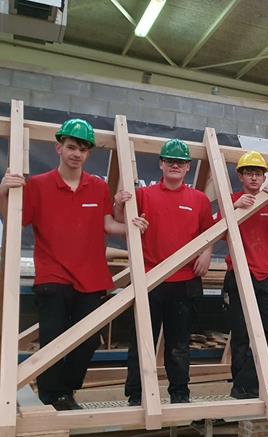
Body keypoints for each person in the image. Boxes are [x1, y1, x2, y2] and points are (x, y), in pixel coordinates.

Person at [0, 119, 136, 410]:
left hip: (92, 278)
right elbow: (15, 220)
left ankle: (66, 391)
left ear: (88, 154)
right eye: (72, 147)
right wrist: (3, 192)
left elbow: (108, 224)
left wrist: (130, 226)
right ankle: (52, 396)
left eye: (83, 149)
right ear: (58, 148)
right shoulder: (38, 185)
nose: (77, 153)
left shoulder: (98, 187)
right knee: (53, 340)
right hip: (53, 276)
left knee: (87, 341)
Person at [117, 139, 213, 406]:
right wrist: (119, 204)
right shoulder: (144, 196)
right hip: (149, 281)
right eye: (169, 160)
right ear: (160, 164)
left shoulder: (199, 200)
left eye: (180, 162)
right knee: (141, 344)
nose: (174, 165)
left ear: (187, 168)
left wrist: (206, 252)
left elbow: (209, 233)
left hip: (184, 283)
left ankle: (180, 395)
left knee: (179, 346)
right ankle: (136, 396)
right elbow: (119, 220)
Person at [220, 151, 268, 399]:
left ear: (264, 177)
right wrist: (233, 209)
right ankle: (243, 391)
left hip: (262, 277)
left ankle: (247, 381)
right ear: (240, 176)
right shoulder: (232, 200)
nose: (254, 177)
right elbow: (218, 232)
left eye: (258, 173)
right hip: (237, 276)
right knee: (241, 335)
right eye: (249, 172)